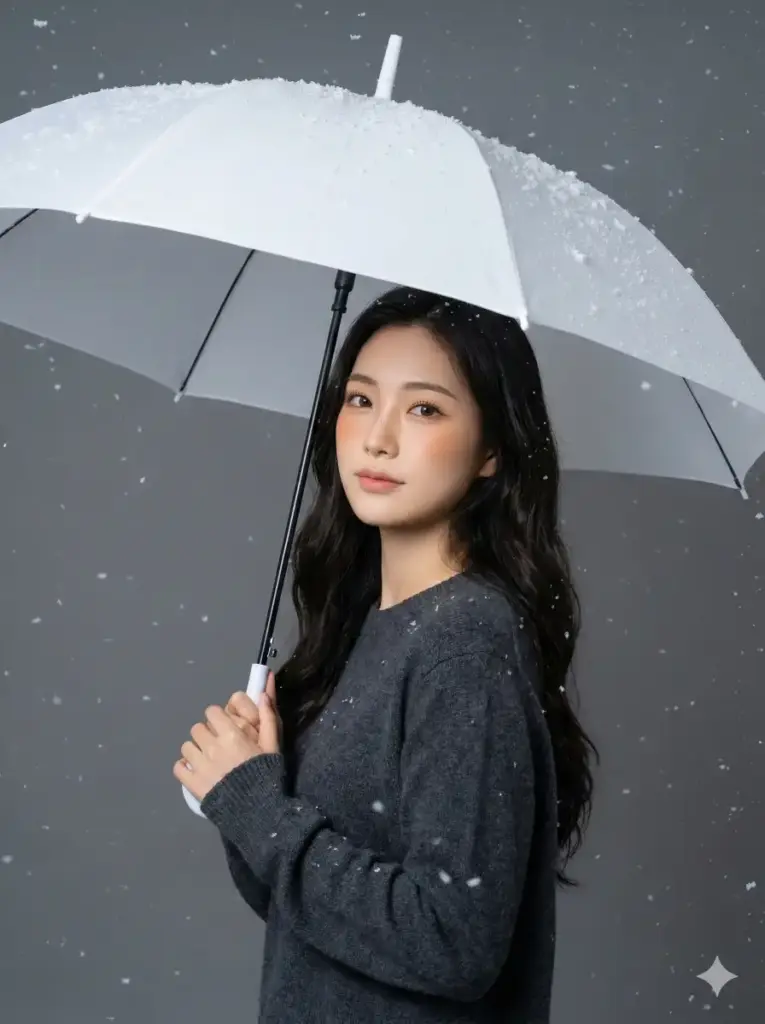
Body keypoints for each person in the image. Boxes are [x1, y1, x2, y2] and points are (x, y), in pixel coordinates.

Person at [173, 286, 599, 1023]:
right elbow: (297, 910)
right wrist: (254, 791)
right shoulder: (366, 626)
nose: (377, 438)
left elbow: (451, 943)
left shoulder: (461, 644)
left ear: (492, 448)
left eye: (424, 409)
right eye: (362, 400)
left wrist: (254, 805)